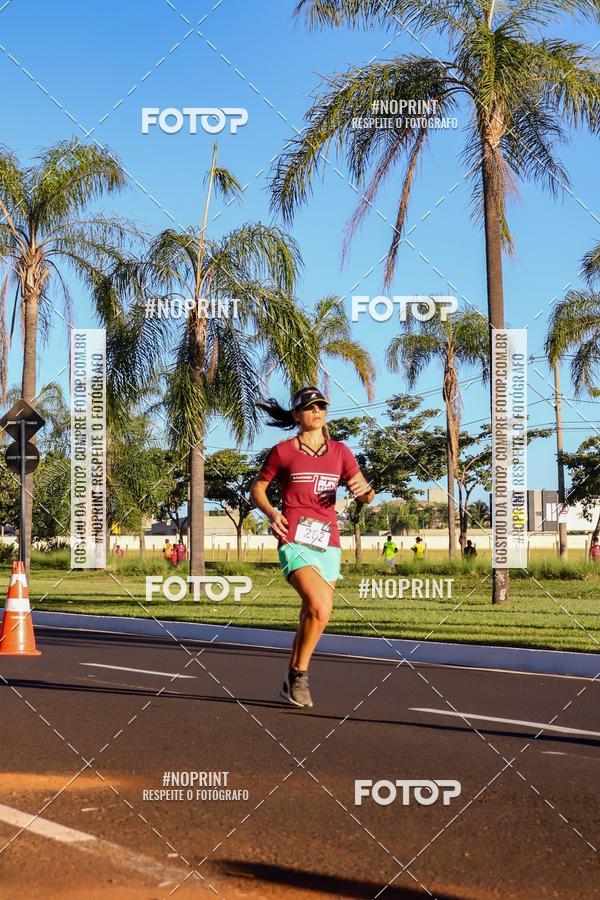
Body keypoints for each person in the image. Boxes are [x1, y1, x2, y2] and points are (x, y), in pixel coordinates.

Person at [251, 386, 375, 709]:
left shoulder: (341, 452)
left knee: (312, 613)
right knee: (321, 606)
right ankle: (300, 676)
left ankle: (290, 679)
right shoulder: (283, 452)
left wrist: (366, 492)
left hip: (329, 542)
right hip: (294, 538)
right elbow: (258, 489)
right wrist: (272, 513)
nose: (316, 411)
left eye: (321, 406)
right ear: (297, 415)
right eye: (309, 407)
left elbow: (364, 493)